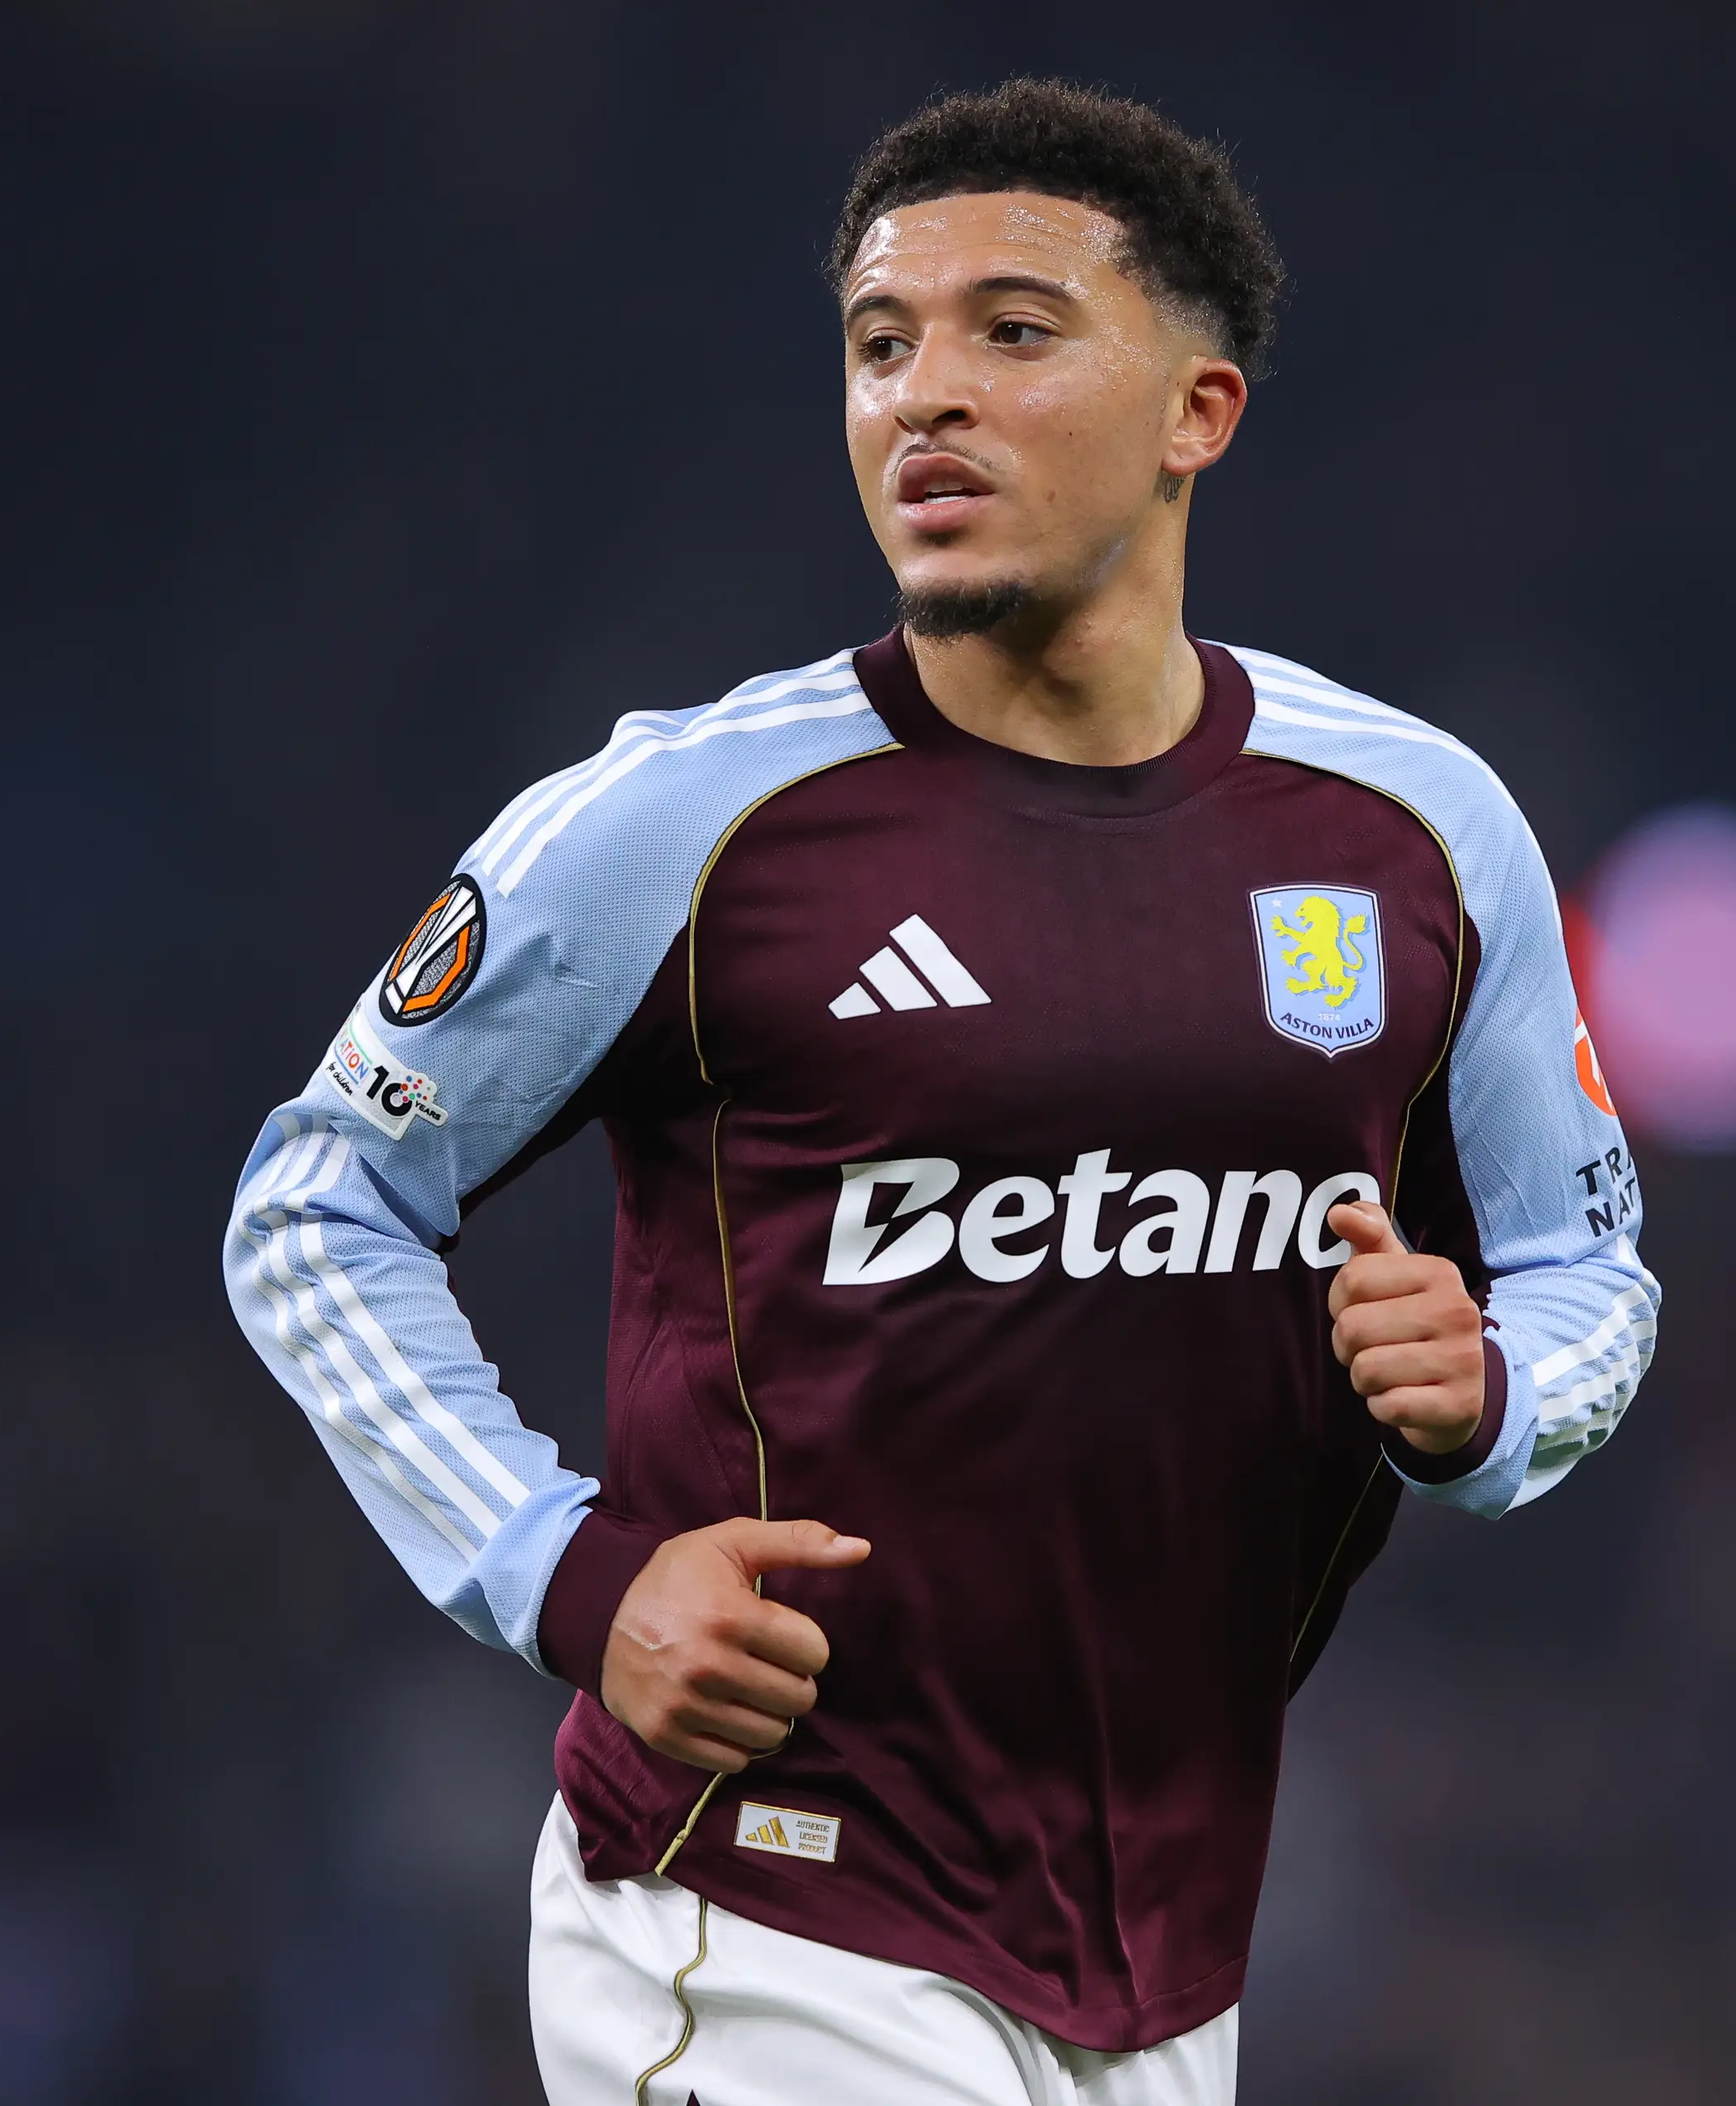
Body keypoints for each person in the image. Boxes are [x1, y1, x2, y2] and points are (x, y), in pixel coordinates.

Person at [222, 77, 1659, 2106]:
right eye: (879, 345)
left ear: (1200, 410)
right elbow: (312, 1201)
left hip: (1158, 1957)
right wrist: (566, 1568)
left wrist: (1494, 1389)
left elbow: (1591, 1273)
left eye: (1013, 329)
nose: (923, 398)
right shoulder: (689, 822)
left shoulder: (1420, 830)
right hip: (762, 1912)